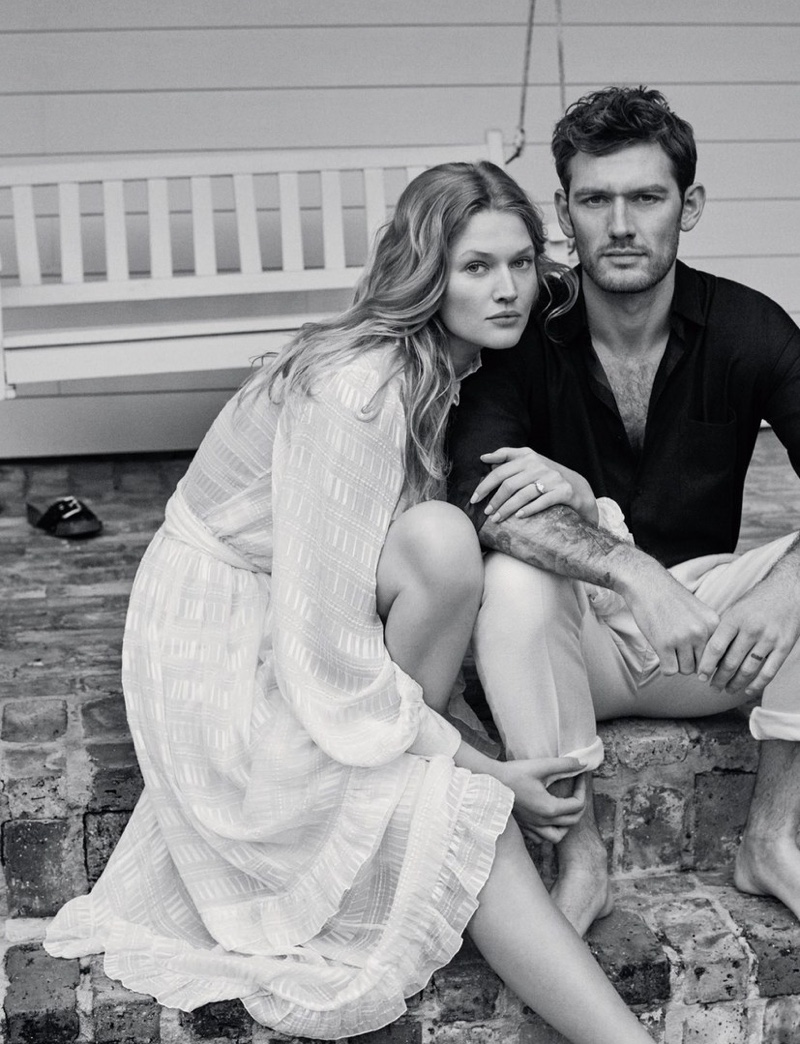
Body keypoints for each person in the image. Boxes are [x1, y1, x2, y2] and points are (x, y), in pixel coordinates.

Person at [44, 160, 655, 1044]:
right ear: (426, 270)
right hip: (226, 631)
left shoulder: (458, 364)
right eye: (477, 266)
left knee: (445, 552)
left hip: (318, 613)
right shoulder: (358, 389)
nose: (509, 289)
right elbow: (323, 647)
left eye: (521, 263)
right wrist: (479, 769)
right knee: (456, 802)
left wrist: (579, 494)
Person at [446, 85, 800, 939]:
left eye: (646, 197)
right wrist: (632, 571)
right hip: (573, 649)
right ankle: (583, 862)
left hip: (705, 643)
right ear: (563, 213)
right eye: (595, 201)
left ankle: (771, 838)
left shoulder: (750, 328)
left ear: (690, 205)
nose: (621, 225)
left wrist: (786, 589)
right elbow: (482, 503)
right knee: (513, 577)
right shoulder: (522, 333)